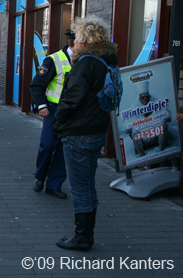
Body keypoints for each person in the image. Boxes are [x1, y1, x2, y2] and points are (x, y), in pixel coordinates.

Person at [53, 15, 118, 251]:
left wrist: (58, 123)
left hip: (78, 132)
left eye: (77, 37)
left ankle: (82, 238)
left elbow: (72, 98)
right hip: (97, 130)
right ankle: (85, 235)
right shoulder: (107, 61)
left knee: (80, 187)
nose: (74, 41)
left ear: (86, 39)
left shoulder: (86, 63)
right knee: (87, 184)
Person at [28, 32, 75, 200]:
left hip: (71, 113)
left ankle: (54, 185)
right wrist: (42, 106)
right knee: (47, 145)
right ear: (73, 44)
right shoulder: (54, 60)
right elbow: (36, 85)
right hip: (53, 110)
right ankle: (40, 177)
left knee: (64, 149)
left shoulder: (84, 61)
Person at [125, 81, 171, 156]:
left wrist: (164, 118)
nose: (145, 99)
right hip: (142, 136)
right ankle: (142, 156)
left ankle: (162, 152)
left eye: (147, 96)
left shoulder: (155, 101)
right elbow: (127, 122)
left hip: (155, 132)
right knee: (135, 136)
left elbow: (167, 112)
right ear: (139, 97)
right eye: (143, 97)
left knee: (162, 128)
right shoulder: (134, 106)